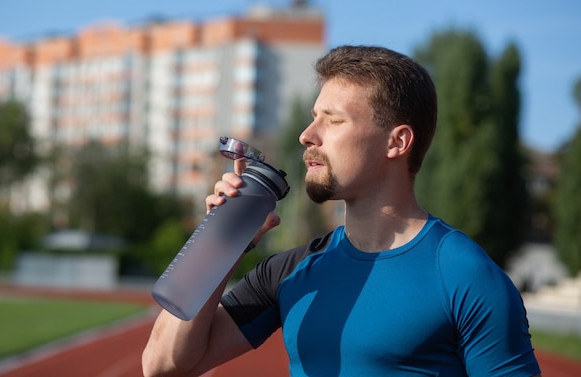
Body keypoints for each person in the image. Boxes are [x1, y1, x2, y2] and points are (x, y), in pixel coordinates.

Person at [142, 45, 542, 377]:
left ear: (397, 142)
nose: (306, 135)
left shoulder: (463, 274)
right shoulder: (290, 271)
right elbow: (163, 366)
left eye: (333, 121)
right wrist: (220, 240)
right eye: (314, 117)